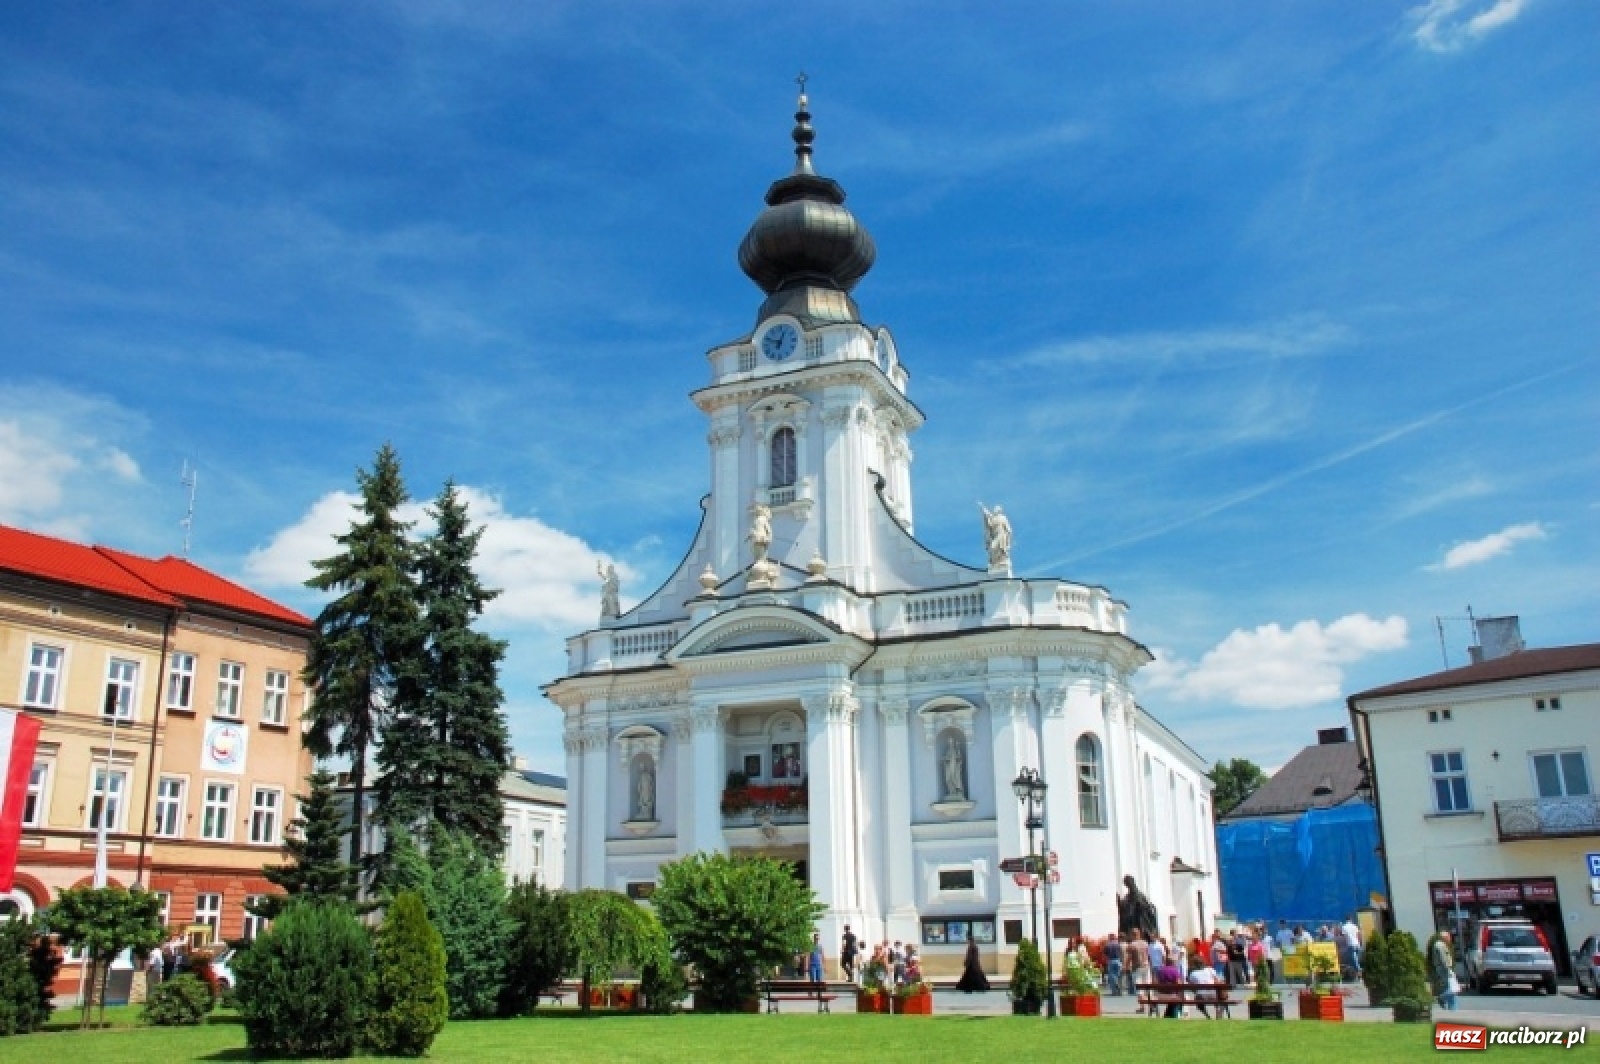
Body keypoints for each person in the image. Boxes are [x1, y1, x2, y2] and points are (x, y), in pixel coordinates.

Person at [1429, 931, 1458, 1011]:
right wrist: (1448, 969)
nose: (1450, 938)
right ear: (1444, 937)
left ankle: (1452, 1009)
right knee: (1452, 989)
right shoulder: (1440, 945)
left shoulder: (1440, 944)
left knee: (1451, 989)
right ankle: (1441, 998)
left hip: (1443, 968)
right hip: (1444, 969)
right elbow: (1443, 958)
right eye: (1448, 937)